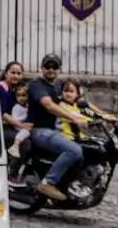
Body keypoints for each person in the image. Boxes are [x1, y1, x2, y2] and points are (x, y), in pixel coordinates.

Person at [25, 54, 90, 201]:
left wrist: (104, 115)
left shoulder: (59, 85)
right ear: (41, 68)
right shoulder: (36, 85)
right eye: (47, 66)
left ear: (59, 69)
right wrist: (74, 118)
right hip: (40, 131)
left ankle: (71, 184)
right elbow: (49, 105)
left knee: (85, 147)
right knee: (74, 150)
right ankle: (48, 183)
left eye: (54, 66)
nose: (51, 69)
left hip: (56, 131)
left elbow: (78, 99)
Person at [0, 61, 26, 144]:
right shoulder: (1, 88)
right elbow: (2, 113)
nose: (15, 76)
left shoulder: (13, 89)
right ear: (6, 73)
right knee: (25, 142)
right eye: (13, 73)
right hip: (0, 127)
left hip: (11, 125)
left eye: (18, 73)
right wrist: (22, 125)